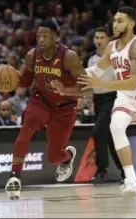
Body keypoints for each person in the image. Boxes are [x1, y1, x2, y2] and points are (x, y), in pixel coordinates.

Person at [52, 6, 136, 197]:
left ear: (131, 23)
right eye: (114, 20)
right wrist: (67, 81)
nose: (115, 24)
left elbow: (134, 82)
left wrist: (100, 82)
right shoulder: (112, 47)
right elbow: (96, 69)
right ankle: (131, 180)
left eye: (120, 21)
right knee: (116, 127)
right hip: (126, 98)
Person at [5, 20, 87, 199]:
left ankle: (67, 157)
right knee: (26, 129)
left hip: (64, 108)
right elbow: (25, 81)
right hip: (41, 101)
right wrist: (10, 79)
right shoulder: (32, 56)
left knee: (53, 157)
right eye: (38, 36)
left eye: (45, 36)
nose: (41, 40)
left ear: (55, 37)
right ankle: (14, 176)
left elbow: (87, 87)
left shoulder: (68, 57)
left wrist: (66, 90)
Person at [84, 27, 124, 183]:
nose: (99, 40)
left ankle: (102, 169)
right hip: (97, 100)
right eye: (96, 37)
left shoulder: (116, 58)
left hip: (113, 98)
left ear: (108, 40)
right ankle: (125, 172)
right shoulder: (89, 59)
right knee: (110, 137)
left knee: (98, 130)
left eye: (102, 37)